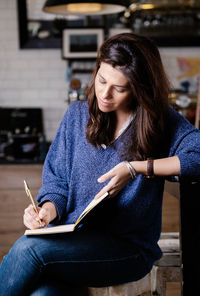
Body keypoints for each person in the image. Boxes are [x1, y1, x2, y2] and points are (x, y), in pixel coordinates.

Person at [0, 33, 200, 296]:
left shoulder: (159, 122)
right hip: (72, 242)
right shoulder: (76, 116)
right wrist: (46, 211)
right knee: (44, 293)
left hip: (128, 250)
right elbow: (57, 183)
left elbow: (196, 157)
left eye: (119, 88)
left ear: (139, 88)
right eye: (102, 80)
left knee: (29, 248)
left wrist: (136, 168)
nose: (105, 94)